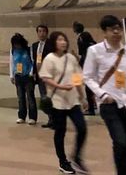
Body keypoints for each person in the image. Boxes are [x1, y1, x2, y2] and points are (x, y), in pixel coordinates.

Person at [83, 15, 126, 175]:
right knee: (120, 141)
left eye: (118, 28)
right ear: (104, 32)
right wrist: (102, 94)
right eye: (112, 29)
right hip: (109, 104)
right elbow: (87, 77)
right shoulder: (94, 51)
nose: (117, 32)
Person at [39, 31, 89, 174]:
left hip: (73, 101)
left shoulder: (71, 58)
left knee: (82, 128)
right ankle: (63, 161)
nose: (63, 42)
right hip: (57, 102)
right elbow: (45, 78)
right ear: (54, 42)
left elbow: (77, 78)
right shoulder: (50, 58)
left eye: (64, 39)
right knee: (60, 132)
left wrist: (82, 97)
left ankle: (77, 157)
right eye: (60, 40)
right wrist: (60, 86)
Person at [9, 33, 37, 125]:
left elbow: (33, 61)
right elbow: (11, 63)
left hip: (28, 77)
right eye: (15, 44)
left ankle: (32, 117)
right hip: (18, 76)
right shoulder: (13, 51)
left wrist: (31, 73)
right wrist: (11, 76)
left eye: (17, 44)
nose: (16, 46)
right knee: (21, 98)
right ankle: (21, 116)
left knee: (30, 97)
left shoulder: (29, 50)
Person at [32, 24, 54, 127]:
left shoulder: (51, 45)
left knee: (52, 98)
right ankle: (50, 118)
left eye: (43, 31)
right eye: (39, 31)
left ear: (47, 32)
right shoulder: (35, 46)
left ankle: (55, 120)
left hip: (50, 76)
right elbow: (35, 60)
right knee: (44, 98)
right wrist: (35, 73)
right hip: (40, 76)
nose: (41, 33)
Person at [73, 22, 97, 115]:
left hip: (87, 64)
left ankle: (90, 108)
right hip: (93, 63)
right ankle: (92, 105)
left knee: (87, 87)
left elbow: (81, 54)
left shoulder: (80, 38)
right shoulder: (88, 36)